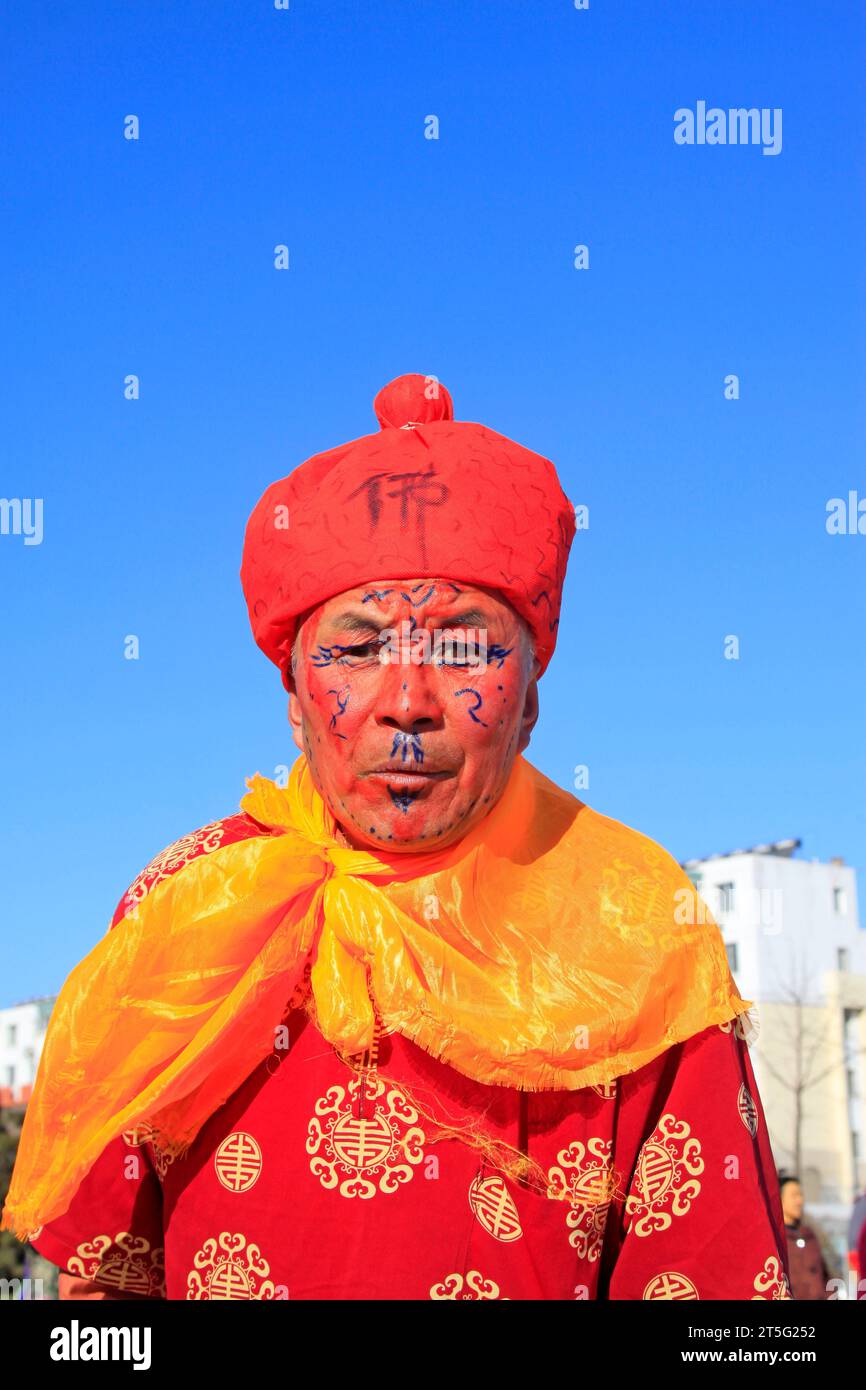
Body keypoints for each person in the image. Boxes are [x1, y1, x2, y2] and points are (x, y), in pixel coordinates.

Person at [2, 375, 792, 1301]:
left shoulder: (636, 926)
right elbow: (105, 1292)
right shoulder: (191, 904)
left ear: (530, 696)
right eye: (362, 645)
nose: (409, 702)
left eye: (464, 645)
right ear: (295, 698)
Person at [779, 1174, 831, 1300]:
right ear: (779, 1199)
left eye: (800, 1195)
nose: (799, 1201)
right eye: (794, 1196)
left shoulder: (810, 1235)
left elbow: (825, 1275)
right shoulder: (776, 1240)